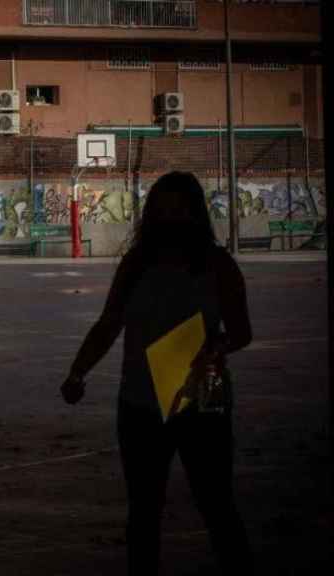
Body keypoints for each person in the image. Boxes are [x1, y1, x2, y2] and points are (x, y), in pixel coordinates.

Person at [60, 171, 253, 575]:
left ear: (194, 213)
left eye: (179, 209)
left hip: (201, 399)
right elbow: (109, 323)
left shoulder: (218, 265)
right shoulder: (136, 265)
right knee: (144, 509)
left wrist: (213, 348)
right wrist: (78, 371)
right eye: (163, 209)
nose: (171, 218)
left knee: (216, 502)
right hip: (141, 402)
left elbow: (241, 332)